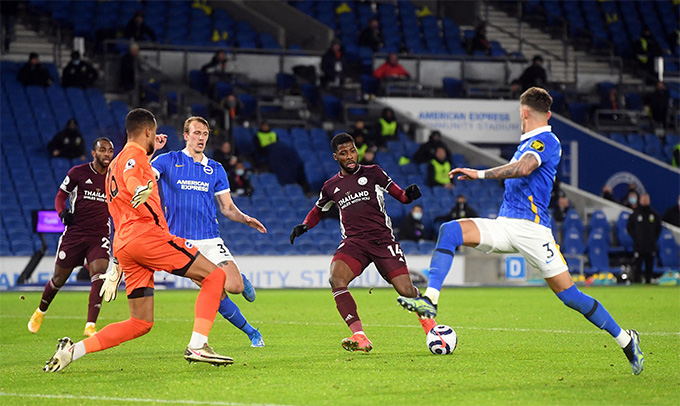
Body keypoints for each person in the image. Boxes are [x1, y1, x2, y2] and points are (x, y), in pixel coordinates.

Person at [397, 87, 645, 375]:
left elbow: (525, 168)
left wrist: (478, 174)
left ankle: (626, 340)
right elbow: (520, 165)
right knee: (450, 230)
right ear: (546, 112)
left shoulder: (547, 140)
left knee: (571, 297)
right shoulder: (527, 141)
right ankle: (430, 300)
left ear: (524, 112)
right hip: (505, 225)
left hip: (534, 231)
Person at [43, 108, 237, 372]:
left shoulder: (115, 163)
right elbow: (133, 177)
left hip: (125, 245)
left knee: (140, 322)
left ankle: (72, 351)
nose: (155, 138)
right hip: (148, 237)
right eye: (154, 133)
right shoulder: (134, 157)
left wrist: (116, 263)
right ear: (148, 131)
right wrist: (140, 189)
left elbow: (125, 183)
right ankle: (198, 345)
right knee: (215, 277)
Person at [289, 133, 434, 353]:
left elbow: (401, 197)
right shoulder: (330, 186)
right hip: (354, 243)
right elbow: (318, 210)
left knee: (405, 290)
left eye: (352, 150)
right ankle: (359, 336)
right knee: (336, 279)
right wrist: (305, 225)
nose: (350, 156)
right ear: (335, 157)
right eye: (344, 153)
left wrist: (410, 195)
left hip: (382, 240)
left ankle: (431, 329)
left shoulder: (373, 172)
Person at [151, 116, 266, 346]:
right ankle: (252, 332)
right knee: (215, 291)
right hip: (182, 244)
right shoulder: (167, 161)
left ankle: (241, 279)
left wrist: (245, 219)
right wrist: (151, 150)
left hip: (210, 239)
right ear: (186, 135)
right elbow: (145, 176)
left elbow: (227, 208)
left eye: (205, 134)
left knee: (234, 286)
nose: (201, 138)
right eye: (196, 133)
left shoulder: (215, 168)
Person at [28, 138, 115, 338]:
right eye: (102, 150)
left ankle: (90, 325)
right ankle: (41, 310)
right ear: (93, 153)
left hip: (99, 234)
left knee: (99, 275)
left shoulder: (114, 177)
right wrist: (62, 214)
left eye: (110, 151)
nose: (107, 154)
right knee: (59, 279)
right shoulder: (78, 172)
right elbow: (60, 196)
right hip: (75, 233)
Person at [626, 193, 663, 284]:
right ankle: (637, 283)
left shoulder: (654, 214)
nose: (645, 201)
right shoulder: (635, 214)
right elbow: (629, 227)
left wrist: (653, 239)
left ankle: (648, 282)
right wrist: (636, 238)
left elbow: (659, 228)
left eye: (646, 199)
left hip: (650, 246)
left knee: (649, 266)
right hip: (639, 246)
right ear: (640, 200)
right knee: (637, 266)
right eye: (643, 199)